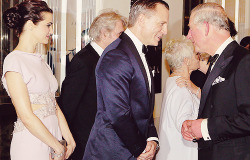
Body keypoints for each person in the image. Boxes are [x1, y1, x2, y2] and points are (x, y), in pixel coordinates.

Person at [83, 0, 169, 159]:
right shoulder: (117, 54)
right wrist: (140, 148)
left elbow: (144, 107)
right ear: (142, 19)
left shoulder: (136, 51)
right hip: (113, 152)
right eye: (161, 24)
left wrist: (152, 138)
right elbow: (118, 114)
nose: (165, 30)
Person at [2, 1, 75, 159]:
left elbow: (52, 104)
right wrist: (57, 147)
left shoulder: (41, 61)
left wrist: (67, 136)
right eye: (48, 25)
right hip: (32, 142)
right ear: (30, 25)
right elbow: (26, 116)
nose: (51, 30)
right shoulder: (14, 61)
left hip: (52, 136)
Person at [181, 2, 250, 160]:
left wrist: (205, 127)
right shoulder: (216, 61)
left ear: (206, 27)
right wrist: (195, 126)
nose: (188, 36)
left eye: (191, 28)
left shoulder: (243, 60)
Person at [59, 10, 127, 160]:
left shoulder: (108, 58)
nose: (123, 39)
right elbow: (68, 106)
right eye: (119, 34)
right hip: (85, 144)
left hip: (104, 141)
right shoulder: (83, 61)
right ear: (104, 33)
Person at [156, 37, 200, 160]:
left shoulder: (172, 81)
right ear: (186, 61)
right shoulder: (181, 87)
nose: (199, 57)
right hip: (182, 154)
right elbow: (188, 127)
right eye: (195, 54)